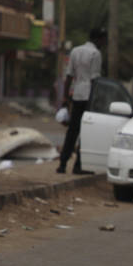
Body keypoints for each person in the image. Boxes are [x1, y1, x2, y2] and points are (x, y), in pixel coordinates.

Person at [57, 27, 105, 174]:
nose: (103, 43)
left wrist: (65, 97)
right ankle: (79, 165)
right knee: (86, 132)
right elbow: (95, 79)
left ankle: (63, 164)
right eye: (102, 40)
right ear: (97, 39)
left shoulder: (75, 51)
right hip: (89, 96)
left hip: (76, 94)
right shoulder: (96, 53)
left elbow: (69, 76)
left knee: (72, 130)